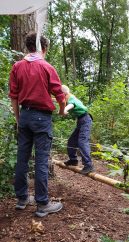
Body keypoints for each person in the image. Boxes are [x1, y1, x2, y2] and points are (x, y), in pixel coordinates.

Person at [9, 32, 66, 217]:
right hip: (41, 118)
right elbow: (59, 94)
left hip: (24, 115)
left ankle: (22, 198)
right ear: (44, 48)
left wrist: (19, 119)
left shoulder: (17, 67)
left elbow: (14, 96)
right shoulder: (46, 66)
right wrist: (61, 110)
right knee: (41, 160)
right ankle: (42, 204)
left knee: (22, 159)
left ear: (28, 47)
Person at [62, 85, 94, 174]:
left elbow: (72, 105)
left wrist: (64, 109)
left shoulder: (71, 98)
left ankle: (88, 165)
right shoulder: (68, 97)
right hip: (81, 120)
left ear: (64, 93)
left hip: (85, 119)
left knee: (82, 142)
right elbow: (55, 99)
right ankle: (73, 160)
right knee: (71, 142)